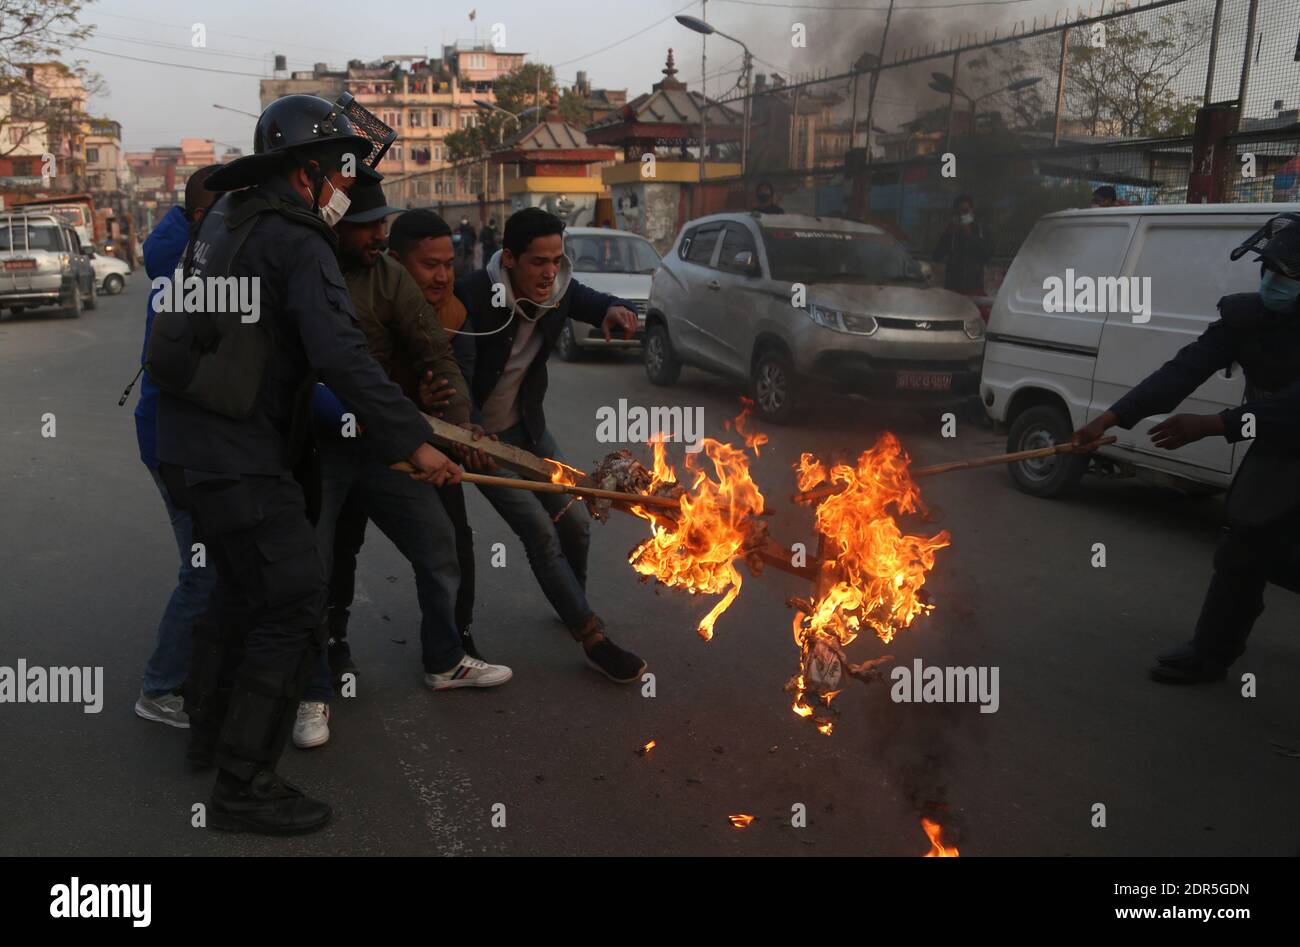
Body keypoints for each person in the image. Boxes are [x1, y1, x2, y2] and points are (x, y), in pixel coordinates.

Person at [151, 94, 463, 834]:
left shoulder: (226, 218)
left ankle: (208, 730)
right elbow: (341, 353)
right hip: (237, 454)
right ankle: (244, 782)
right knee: (293, 599)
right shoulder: (296, 240)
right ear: (306, 174)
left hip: (190, 447)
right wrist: (413, 441)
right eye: (343, 176)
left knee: (238, 589)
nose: (350, 193)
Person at [294, 183, 510, 749]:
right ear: (335, 222)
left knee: (438, 545)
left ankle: (444, 660)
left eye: (380, 223)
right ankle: (311, 690)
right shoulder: (304, 271)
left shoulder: (389, 276)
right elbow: (304, 373)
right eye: (364, 225)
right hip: (319, 448)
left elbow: (434, 353)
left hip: (386, 441)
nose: (377, 235)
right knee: (316, 567)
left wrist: (460, 428)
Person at [1072, 212, 1300, 684]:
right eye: (1270, 269)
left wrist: (1216, 424)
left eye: (1289, 275)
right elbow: (1182, 370)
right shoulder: (1246, 319)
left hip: (1284, 429)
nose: (1274, 282)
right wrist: (1110, 419)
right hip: (1282, 449)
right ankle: (1210, 654)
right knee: (1243, 547)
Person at [451, 207, 647, 683]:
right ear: (512, 259)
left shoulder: (557, 290)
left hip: (529, 432)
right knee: (539, 531)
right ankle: (592, 636)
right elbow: (450, 373)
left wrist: (611, 310)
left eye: (557, 260)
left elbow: (584, 297)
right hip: (482, 442)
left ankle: (570, 603)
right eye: (539, 261)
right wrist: (466, 431)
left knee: (576, 523)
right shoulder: (472, 296)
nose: (549, 272)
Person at [131, 164, 222, 728]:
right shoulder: (190, 271)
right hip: (177, 444)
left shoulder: (195, 254)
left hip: (187, 441)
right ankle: (160, 688)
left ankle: (198, 674)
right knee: (204, 568)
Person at [933, 193, 990, 294]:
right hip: (953, 287)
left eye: (965, 212)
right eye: (958, 213)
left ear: (972, 211)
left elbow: (986, 256)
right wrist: (948, 234)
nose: (962, 216)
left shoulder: (981, 230)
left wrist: (970, 236)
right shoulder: (951, 231)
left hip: (974, 287)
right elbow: (937, 256)